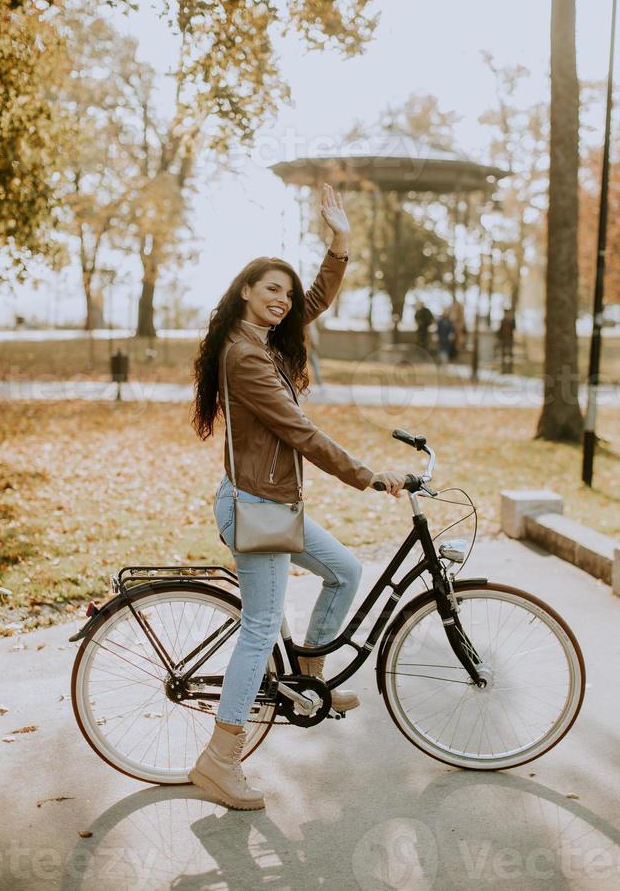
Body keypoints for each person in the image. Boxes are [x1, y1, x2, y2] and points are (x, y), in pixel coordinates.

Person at [190, 183, 406, 811]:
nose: (284, 302)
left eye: (286, 293)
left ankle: (306, 678)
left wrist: (339, 241)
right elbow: (302, 433)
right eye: (271, 291)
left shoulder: (261, 338)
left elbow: (314, 298)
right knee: (259, 628)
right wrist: (369, 476)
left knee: (344, 568)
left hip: (271, 506)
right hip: (255, 510)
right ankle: (220, 760)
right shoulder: (245, 358)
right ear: (244, 294)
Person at [498, 308, 516, 374]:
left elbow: (514, 328)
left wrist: (510, 321)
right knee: (503, 355)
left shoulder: (512, 320)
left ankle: (510, 369)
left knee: (510, 355)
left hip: (510, 339)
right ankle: (503, 370)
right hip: (504, 340)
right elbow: (500, 331)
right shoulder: (503, 321)